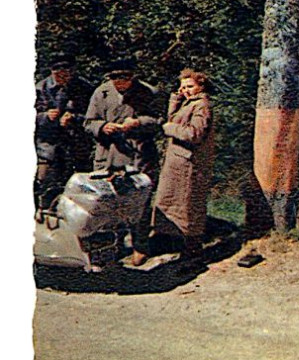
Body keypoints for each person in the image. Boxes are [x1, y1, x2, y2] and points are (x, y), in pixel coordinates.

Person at [128, 68, 215, 266]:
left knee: (187, 206)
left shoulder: (202, 105)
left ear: (201, 86)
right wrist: (176, 98)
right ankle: (177, 245)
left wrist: (169, 129)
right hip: (178, 162)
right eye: (183, 86)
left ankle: (192, 251)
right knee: (172, 204)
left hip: (189, 163)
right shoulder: (189, 102)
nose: (185, 90)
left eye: (190, 86)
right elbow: (173, 118)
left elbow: (194, 133)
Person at [34, 54, 94, 209]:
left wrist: (74, 118)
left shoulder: (85, 88)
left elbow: (94, 117)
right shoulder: (40, 89)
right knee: (45, 182)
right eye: (56, 70)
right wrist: (45, 116)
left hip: (77, 146)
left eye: (66, 69)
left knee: (81, 188)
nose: (61, 74)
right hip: (48, 146)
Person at [83, 60, 163, 176]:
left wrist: (138, 122)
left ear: (133, 76)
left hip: (138, 155)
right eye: (114, 77)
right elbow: (88, 123)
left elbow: (160, 121)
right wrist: (103, 126)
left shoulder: (149, 92)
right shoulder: (101, 92)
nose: (119, 81)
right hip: (107, 154)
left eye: (125, 77)